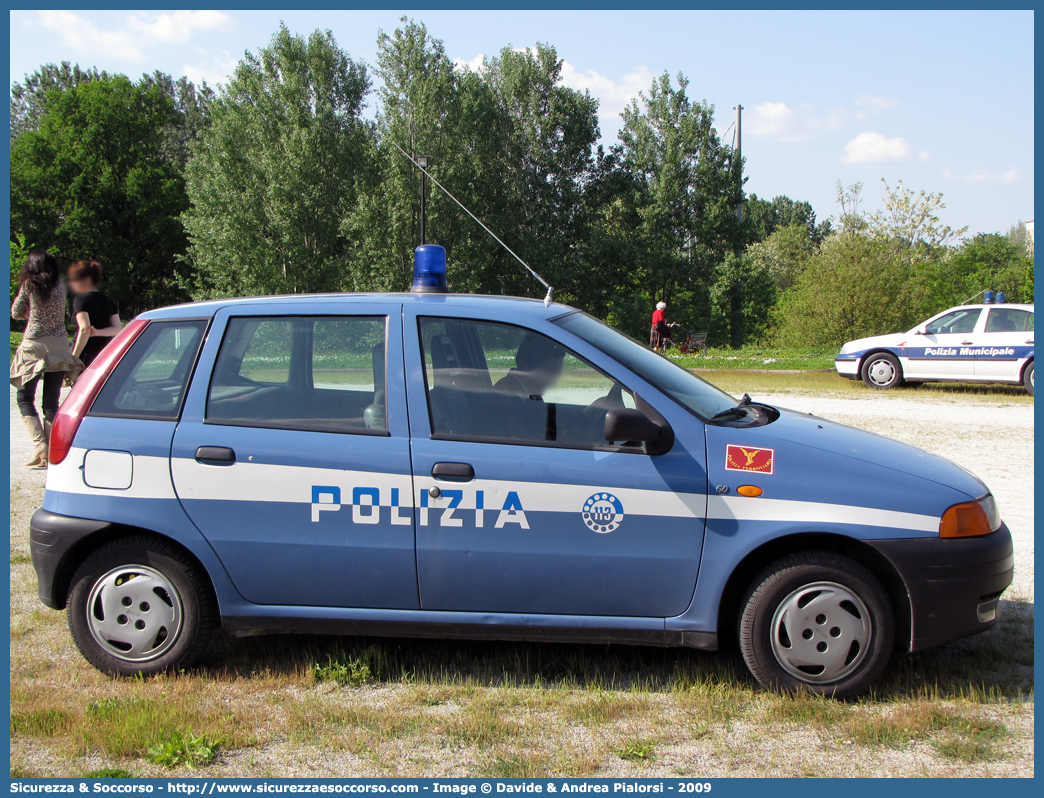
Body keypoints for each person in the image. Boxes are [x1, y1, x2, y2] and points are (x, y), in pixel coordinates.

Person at [10, 250, 83, 468]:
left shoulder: (29, 284)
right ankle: (50, 449)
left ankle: (39, 445)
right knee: (51, 401)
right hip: (59, 344)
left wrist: (29, 314)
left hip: (34, 344)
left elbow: (15, 311)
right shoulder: (61, 285)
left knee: (24, 397)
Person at [67, 260, 121, 368]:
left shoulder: (80, 299)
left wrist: (74, 358)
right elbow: (117, 328)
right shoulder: (108, 301)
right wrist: (97, 332)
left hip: (86, 353)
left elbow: (84, 329)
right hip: (104, 353)